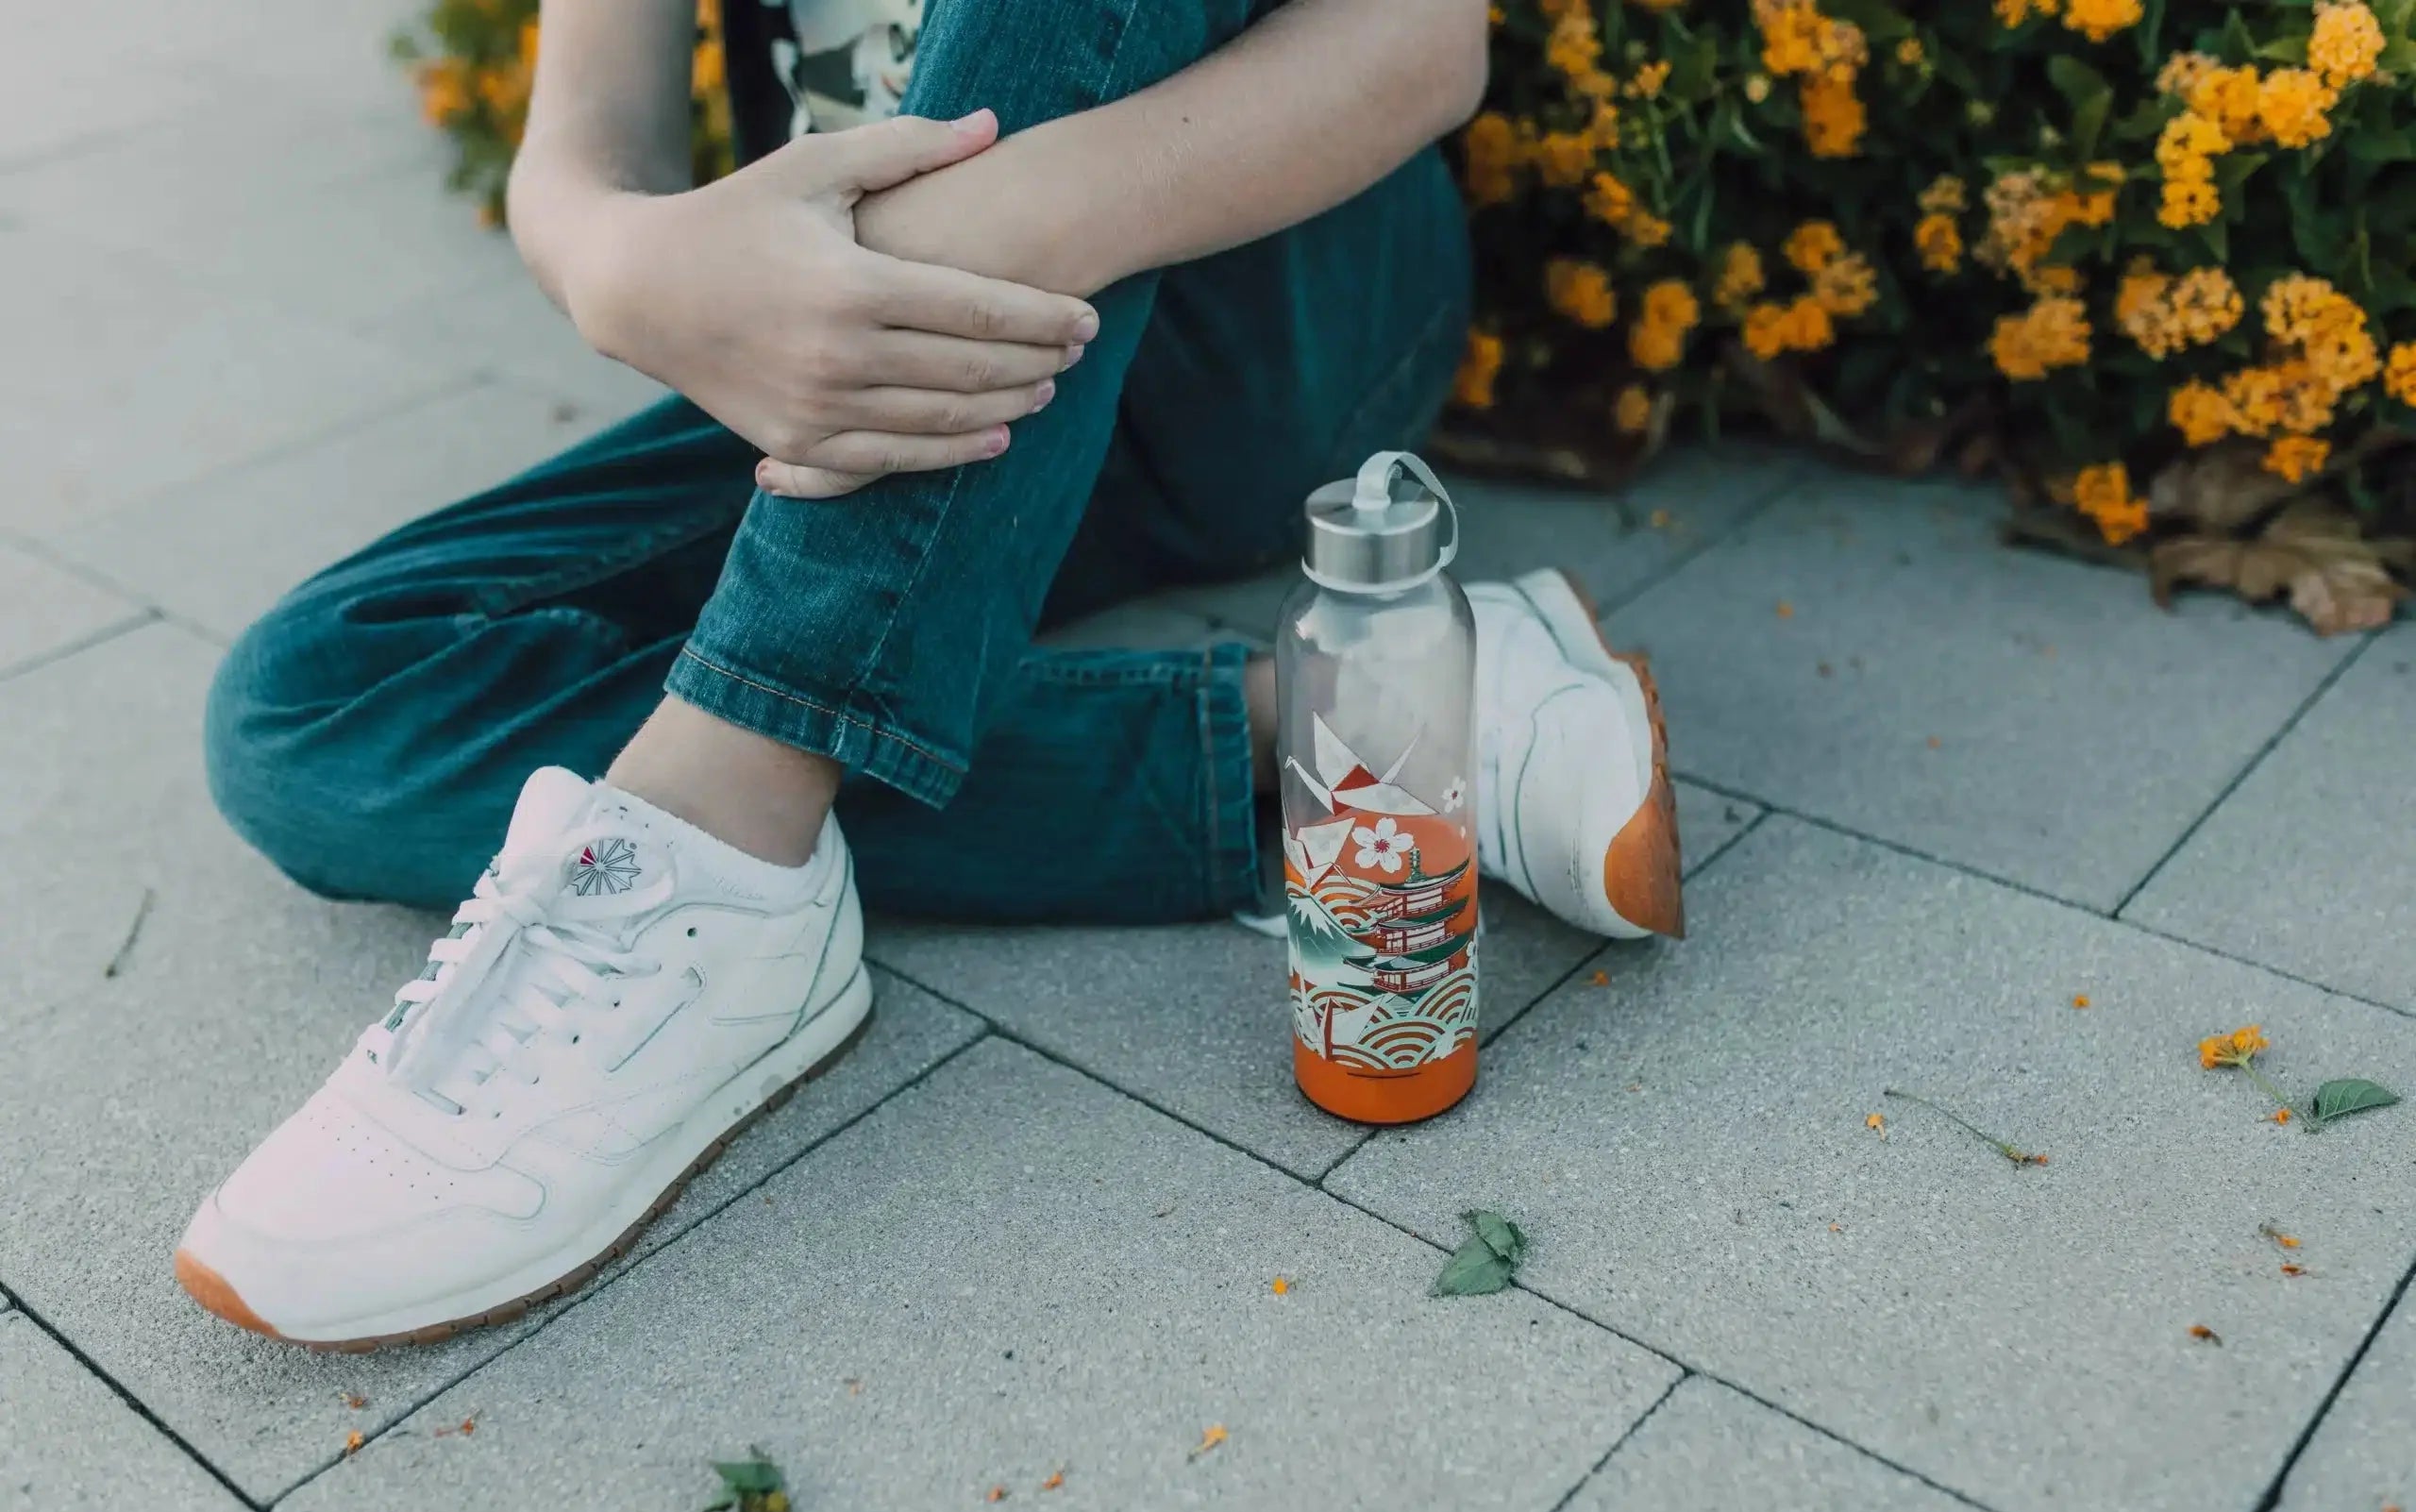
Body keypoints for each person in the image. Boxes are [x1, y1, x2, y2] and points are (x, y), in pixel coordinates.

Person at [172, 0, 1682, 1350]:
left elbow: (1422, 43)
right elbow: (581, 154)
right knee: (315, 712)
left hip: (1246, 335)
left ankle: (726, 830)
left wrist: (957, 246)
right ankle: (1360, 738)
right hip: (871, 368)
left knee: (683, 699)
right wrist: (628, 265)